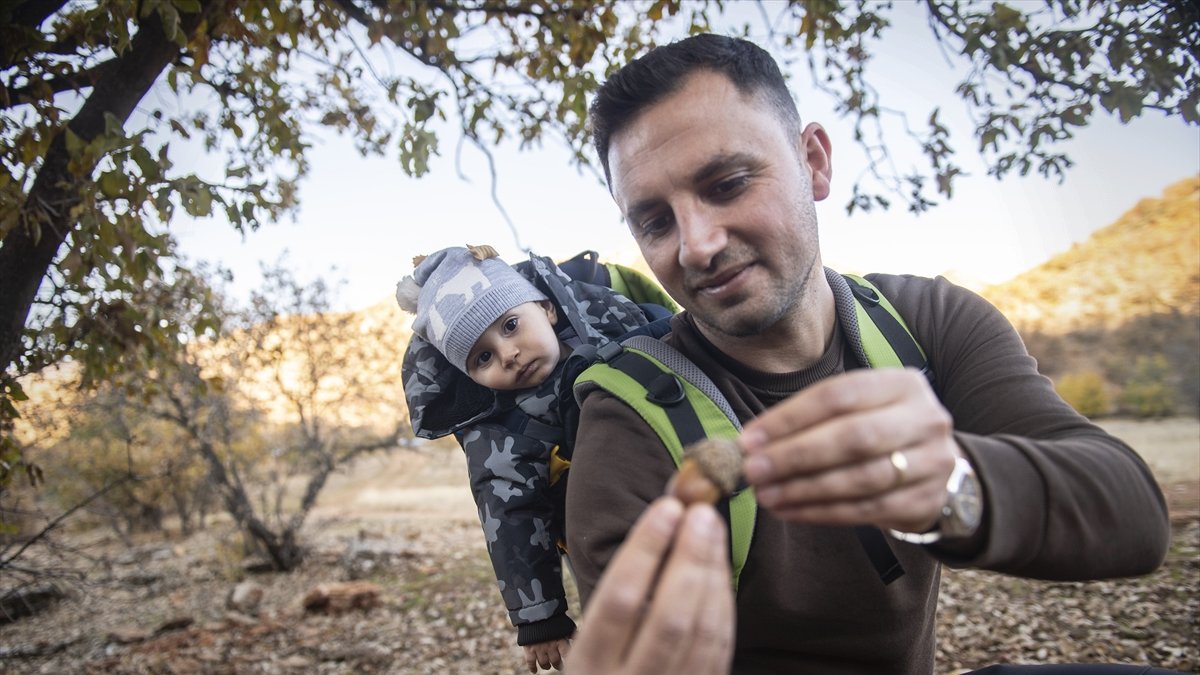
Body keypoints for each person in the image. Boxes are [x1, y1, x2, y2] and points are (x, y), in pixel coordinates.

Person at [564, 33, 1171, 673]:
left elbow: (1131, 514)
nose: (696, 245)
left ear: (814, 162)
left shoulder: (929, 323)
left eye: (728, 184)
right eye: (655, 221)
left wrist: (949, 485)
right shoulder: (628, 424)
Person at [397, 244, 660, 672]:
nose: (509, 354)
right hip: (603, 547)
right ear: (469, 377)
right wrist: (540, 617)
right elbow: (511, 517)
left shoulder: (612, 325)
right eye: (483, 358)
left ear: (547, 309)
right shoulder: (500, 432)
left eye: (511, 325)